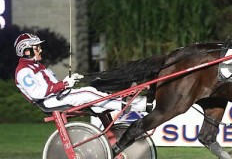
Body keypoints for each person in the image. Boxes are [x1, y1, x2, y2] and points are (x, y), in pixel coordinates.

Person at [14, 33, 147, 114]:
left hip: (56, 97)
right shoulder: (24, 71)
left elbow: (52, 85)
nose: (40, 50)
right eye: (37, 47)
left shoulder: (37, 66)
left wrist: (68, 80)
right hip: (50, 102)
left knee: (93, 88)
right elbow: (37, 93)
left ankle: (125, 100)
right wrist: (65, 84)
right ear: (26, 51)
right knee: (88, 93)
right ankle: (134, 104)